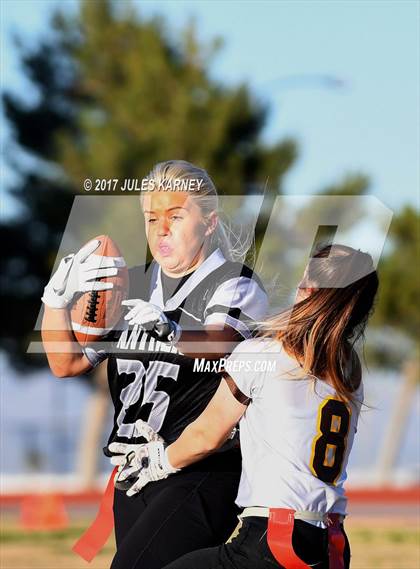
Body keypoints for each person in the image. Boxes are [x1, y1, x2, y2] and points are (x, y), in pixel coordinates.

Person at [41, 160, 268, 569]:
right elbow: (67, 362)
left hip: (200, 467)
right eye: (151, 218)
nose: (160, 229)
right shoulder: (131, 283)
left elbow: (219, 342)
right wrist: (55, 302)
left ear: (209, 223)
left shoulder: (234, 280)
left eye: (176, 216)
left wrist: (172, 332)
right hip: (133, 474)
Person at [117, 244, 379, 569]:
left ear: (308, 290)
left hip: (274, 538)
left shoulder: (263, 354)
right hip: (330, 543)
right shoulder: (349, 371)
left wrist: (158, 460)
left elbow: (206, 435)